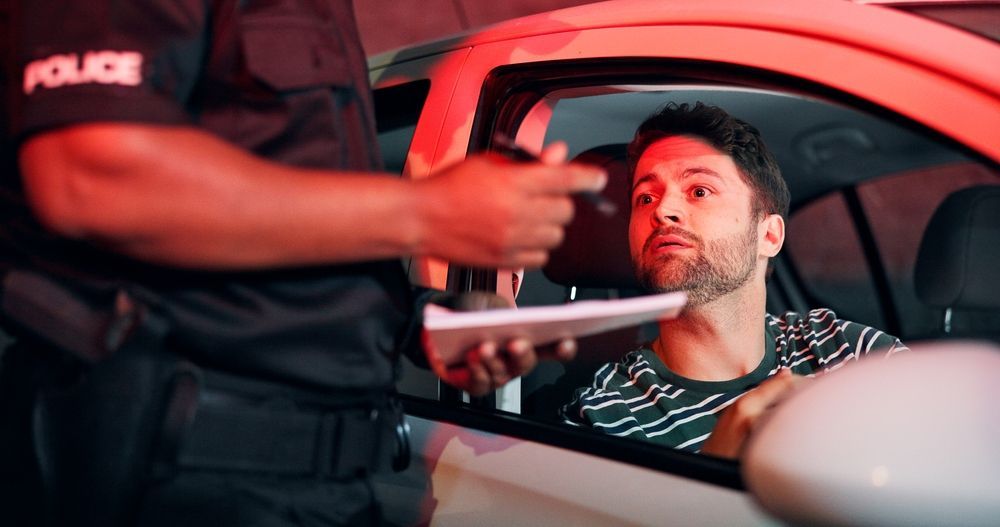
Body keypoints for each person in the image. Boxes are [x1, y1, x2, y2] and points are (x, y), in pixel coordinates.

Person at [0, 2, 606, 526]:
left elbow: (283, 231)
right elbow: (89, 178)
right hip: (179, 472)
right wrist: (428, 211)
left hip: (312, 478)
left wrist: (424, 324)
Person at [560, 102, 906, 459]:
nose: (662, 211)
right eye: (645, 198)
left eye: (699, 191)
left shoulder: (848, 353)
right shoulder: (603, 422)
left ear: (769, 236)